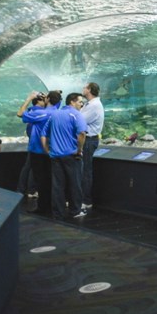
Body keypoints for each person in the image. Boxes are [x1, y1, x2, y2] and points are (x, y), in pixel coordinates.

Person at [43, 92, 88, 220]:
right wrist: (79, 150)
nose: (81, 104)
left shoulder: (54, 114)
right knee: (75, 184)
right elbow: (82, 134)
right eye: (80, 102)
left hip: (55, 155)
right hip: (71, 155)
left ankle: (58, 212)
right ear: (72, 102)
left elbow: (44, 134)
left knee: (57, 185)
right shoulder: (76, 115)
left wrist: (47, 150)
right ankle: (75, 211)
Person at [18, 90, 52, 215]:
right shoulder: (39, 112)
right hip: (41, 149)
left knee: (31, 170)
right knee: (41, 177)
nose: (47, 100)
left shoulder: (34, 111)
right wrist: (29, 97)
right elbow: (20, 113)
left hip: (35, 148)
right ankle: (37, 198)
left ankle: (24, 191)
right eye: (44, 98)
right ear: (39, 100)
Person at [80, 81, 105, 210]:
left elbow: (79, 120)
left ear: (89, 90)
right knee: (84, 170)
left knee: (86, 171)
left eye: (84, 87)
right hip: (87, 140)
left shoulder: (93, 105)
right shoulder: (90, 104)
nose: (83, 89)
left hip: (88, 140)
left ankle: (86, 200)